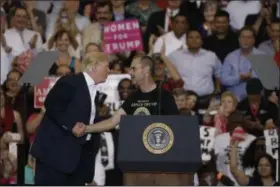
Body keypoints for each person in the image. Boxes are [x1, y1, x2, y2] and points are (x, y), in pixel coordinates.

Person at [30, 52, 110, 185]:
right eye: (106, 66)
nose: (109, 70)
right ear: (94, 66)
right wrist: (71, 125)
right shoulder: (71, 81)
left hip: (77, 161)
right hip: (55, 158)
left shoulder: (93, 91)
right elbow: (52, 104)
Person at [73, 55, 179, 135]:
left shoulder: (164, 96)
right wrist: (86, 128)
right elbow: (112, 122)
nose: (130, 72)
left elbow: (176, 127)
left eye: (134, 69)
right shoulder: (133, 97)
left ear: (146, 70)